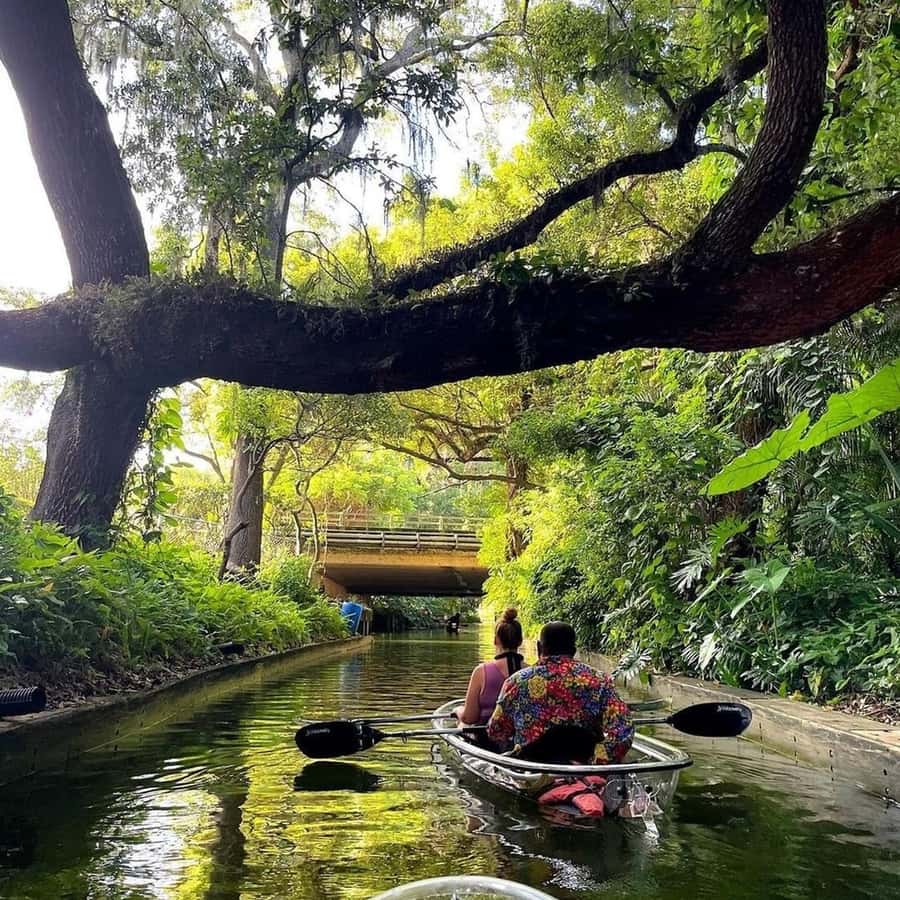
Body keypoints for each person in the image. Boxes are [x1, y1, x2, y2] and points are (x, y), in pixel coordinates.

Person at [486, 621, 633, 763]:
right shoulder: (600, 681)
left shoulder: (516, 682)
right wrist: (597, 759)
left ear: (539, 648)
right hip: (585, 767)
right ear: (574, 650)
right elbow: (623, 731)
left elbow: (496, 731)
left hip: (531, 768)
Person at [456, 608, 525, 725]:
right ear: (520, 641)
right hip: (522, 739)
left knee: (462, 722)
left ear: (495, 640)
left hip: (486, 738)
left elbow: (469, 718)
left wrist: (457, 710)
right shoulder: (533, 671)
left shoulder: (481, 672)